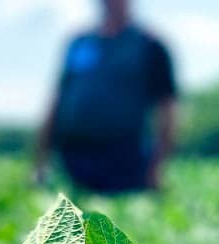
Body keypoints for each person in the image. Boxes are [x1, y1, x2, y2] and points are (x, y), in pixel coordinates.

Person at [35, 0, 177, 193]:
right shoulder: (79, 43)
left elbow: (168, 110)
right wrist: (40, 161)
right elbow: (58, 101)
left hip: (126, 163)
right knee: (65, 209)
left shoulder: (151, 45)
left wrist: (157, 167)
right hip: (72, 161)